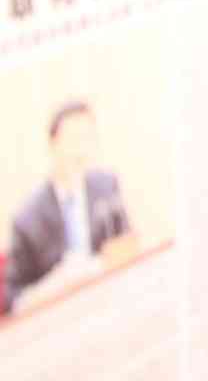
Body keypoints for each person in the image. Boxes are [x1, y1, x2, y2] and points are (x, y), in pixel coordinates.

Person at [6, 101, 133, 309]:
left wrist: (102, 264)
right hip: (58, 314)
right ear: (53, 145)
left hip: (110, 300)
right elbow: (13, 298)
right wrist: (54, 285)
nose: (81, 150)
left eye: (87, 139)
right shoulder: (27, 219)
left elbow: (127, 246)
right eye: (73, 140)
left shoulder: (106, 186)